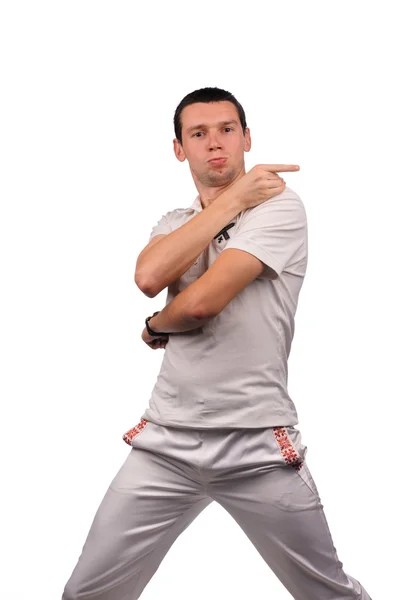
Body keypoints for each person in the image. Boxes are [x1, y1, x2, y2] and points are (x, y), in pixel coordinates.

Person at [62, 87, 372, 600]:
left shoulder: (280, 210)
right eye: (198, 134)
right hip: (165, 443)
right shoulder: (173, 224)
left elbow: (203, 302)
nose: (215, 143)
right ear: (179, 149)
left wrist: (155, 326)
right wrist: (232, 198)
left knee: (328, 594)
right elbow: (148, 274)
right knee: (86, 594)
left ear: (247, 137)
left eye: (227, 129)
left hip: (255, 444)